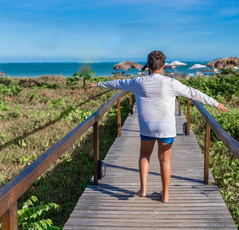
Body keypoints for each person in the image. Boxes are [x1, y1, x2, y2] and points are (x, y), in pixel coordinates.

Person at [88, 50, 228, 203]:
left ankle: (143, 190)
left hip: (147, 127)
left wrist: (98, 84)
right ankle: (165, 194)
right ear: (163, 66)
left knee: (144, 156)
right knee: (165, 160)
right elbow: (193, 93)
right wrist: (215, 103)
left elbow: (118, 83)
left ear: (148, 66)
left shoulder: (138, 82)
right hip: (166, 129)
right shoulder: (171, 83)